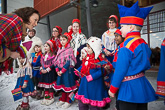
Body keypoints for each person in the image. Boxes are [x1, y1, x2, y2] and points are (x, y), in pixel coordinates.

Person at [108, 2, 157, 110]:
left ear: (130, 27)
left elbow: (120, 70)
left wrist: (113, 89)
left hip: (128, 90)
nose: (120, 29)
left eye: (122, 26)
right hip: (142, 85)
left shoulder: (126, 46)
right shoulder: (143, 43)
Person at [0, 7, 40, 75]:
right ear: (27, 15)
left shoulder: (18, 26)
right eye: (35, 20)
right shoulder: (15, 21)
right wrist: (10, 53)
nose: (36, 24)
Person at [75, 37, 111, 110]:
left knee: (93, 104)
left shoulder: (99, 59)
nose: (87, 49)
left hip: (94, 84)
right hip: (85, 83)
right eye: (87, 47)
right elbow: (83, 65)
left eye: (89, 48)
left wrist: (92, 76)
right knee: (82, 102)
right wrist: (78, 70)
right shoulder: (87, 58)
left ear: (95, 49)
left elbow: (102, 70)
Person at [53, 33, 77, 109]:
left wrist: (62, 71)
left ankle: (68, 100)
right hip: (60, 71)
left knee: (68, 85)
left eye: (64, 40)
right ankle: (63, 99)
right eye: (61, 40)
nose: (62, 41)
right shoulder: (59, 49)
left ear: (68, 40)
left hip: (67, 71)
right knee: (62, 86)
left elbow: (68, 62)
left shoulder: (69, 50)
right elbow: (56, 61)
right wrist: (57, 70)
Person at [38, 40, 57, 106]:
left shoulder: (53, 55)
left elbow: (53, 64)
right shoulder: (43, 55)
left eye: (47, 46)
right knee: (45, 85)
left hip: (50, 72)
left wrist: (47, 69)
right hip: (44, 73)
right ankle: (46, 97)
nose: (45, 47)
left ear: (50, 47)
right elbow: (41, 63)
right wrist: (41, 69)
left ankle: (51, 96)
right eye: (44, 46)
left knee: (50, 85)